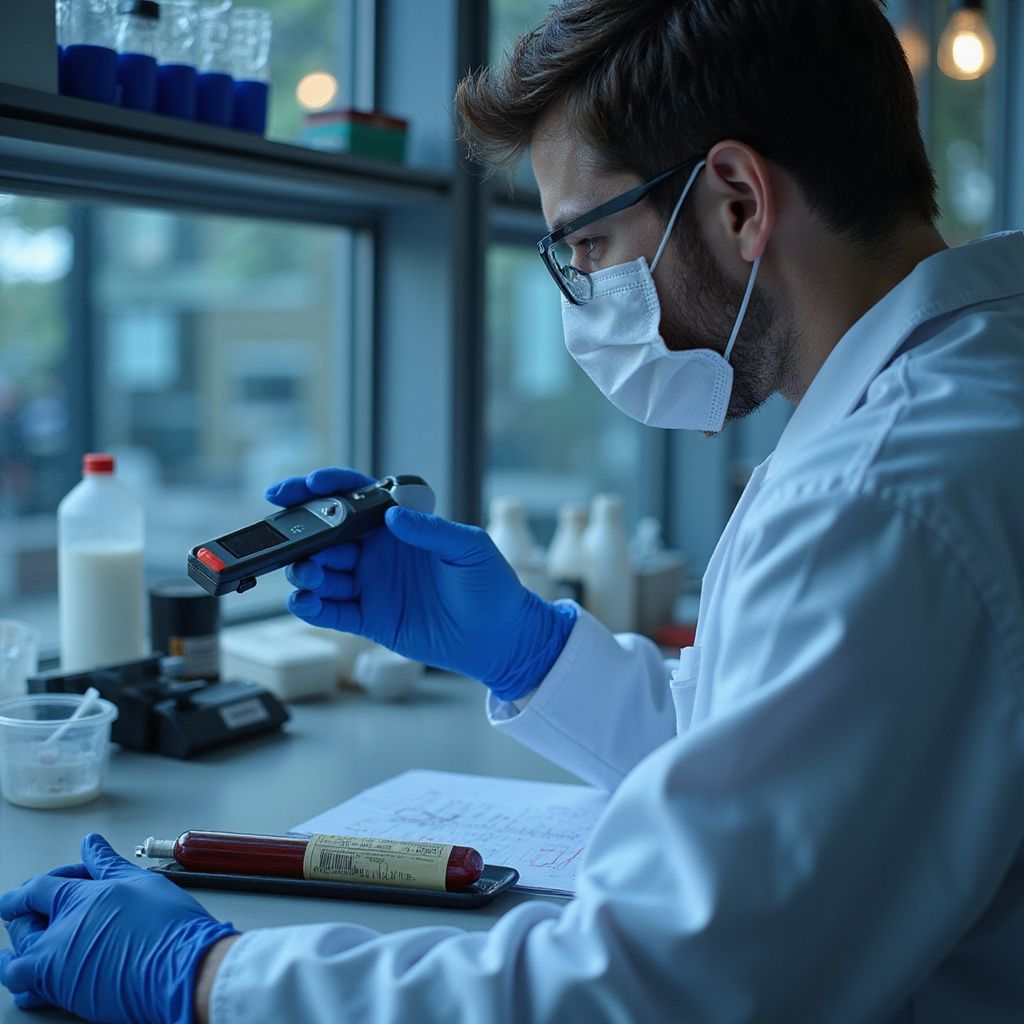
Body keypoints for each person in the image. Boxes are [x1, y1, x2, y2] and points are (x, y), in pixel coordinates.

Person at [3, 1, 1024, 1020]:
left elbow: (645, 988)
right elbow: (765, 765)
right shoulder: (956, 391)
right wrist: (527, 652)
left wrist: (209, 977)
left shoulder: (880, 498)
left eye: (584, 243)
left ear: (737, 201)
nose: (579, 291)